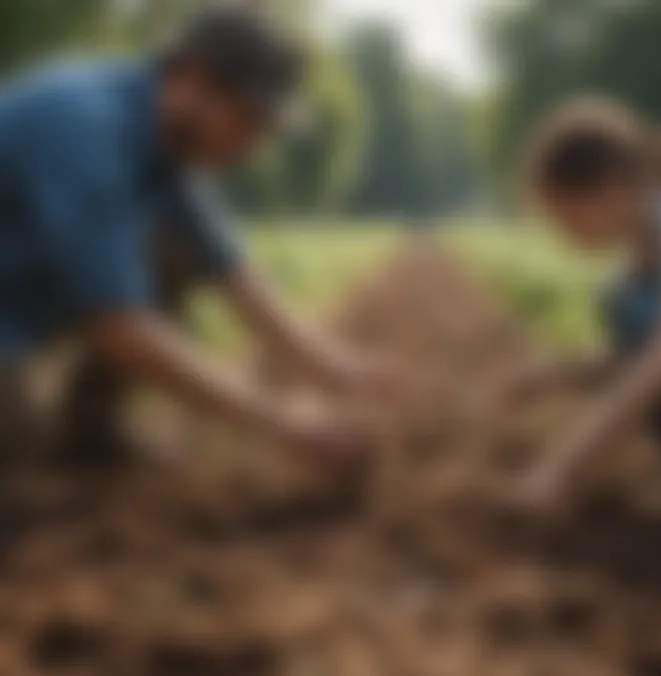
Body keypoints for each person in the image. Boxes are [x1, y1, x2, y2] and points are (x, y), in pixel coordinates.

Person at [0, 3, 385, 473]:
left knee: (172, 253)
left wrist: (338, 369)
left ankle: (89, 438)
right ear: (193, 77)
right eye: (248, 119)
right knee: (20, 486)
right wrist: (280, 424)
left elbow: (232, 270)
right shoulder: (85, 130)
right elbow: (120, 331)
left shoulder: (168, 146)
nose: (250, 147)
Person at [490, 97, 661, 509]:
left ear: (610, 187)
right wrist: (562, 373)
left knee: (632, 308)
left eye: (567, 219)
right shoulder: (639, 269)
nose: (565, 237)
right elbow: (647, 357)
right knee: (626, 304)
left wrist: (559, 468)